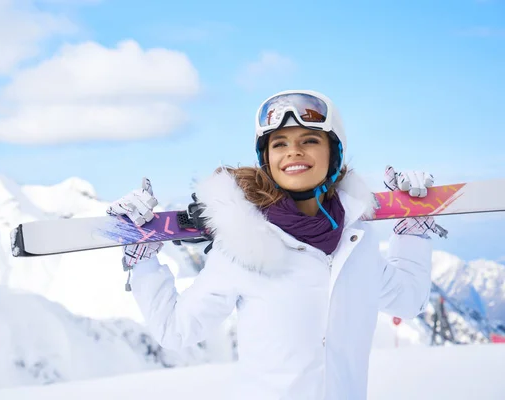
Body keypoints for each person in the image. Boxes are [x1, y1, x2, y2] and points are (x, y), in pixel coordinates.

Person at [107, 90, 447, 399]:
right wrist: (144, 263)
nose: (293, 151)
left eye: (310, 140)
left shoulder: (356, 241)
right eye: (279, 143)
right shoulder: (243, 246)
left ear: (334, 153)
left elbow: (408, 299)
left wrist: (412, 230)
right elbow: (176, 330)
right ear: (266, 159)